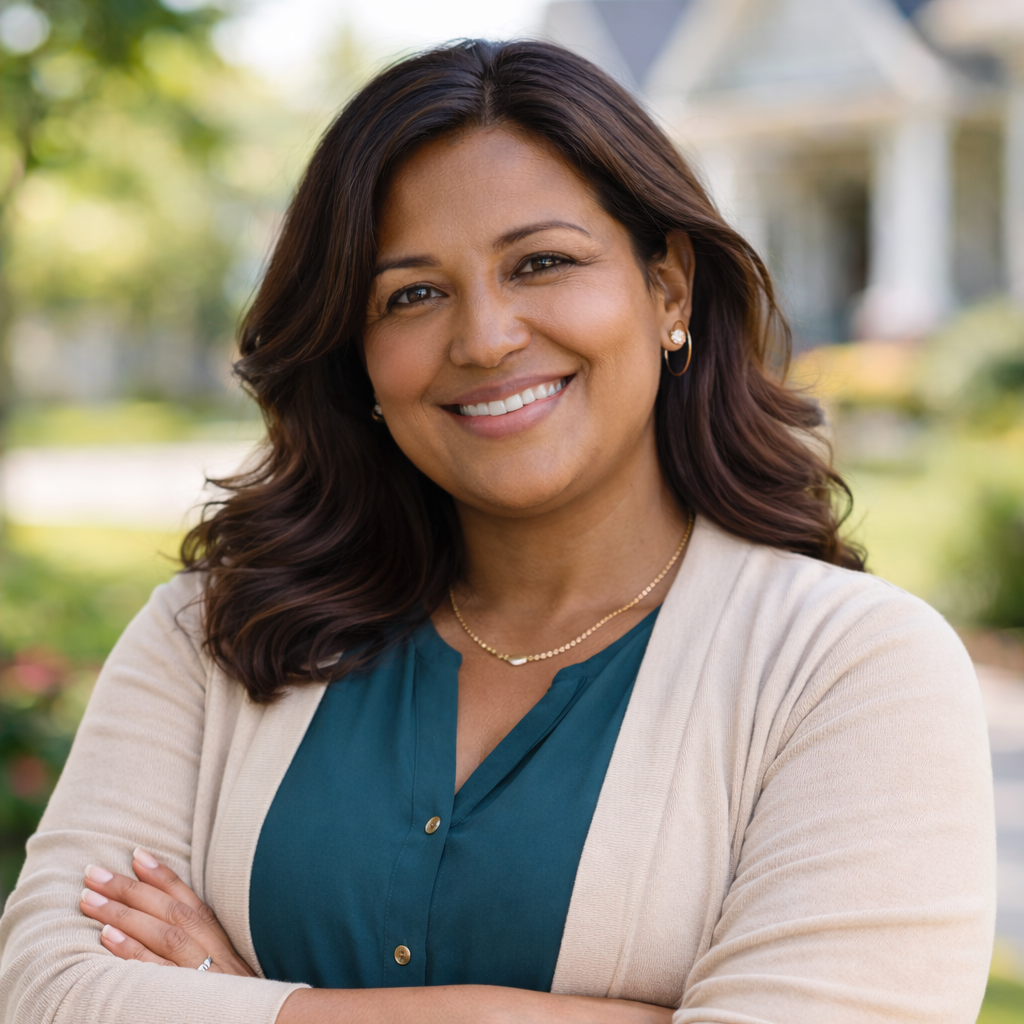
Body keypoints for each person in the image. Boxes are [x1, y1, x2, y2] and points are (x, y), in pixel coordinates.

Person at [0, 39, 995, 1024]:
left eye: (541, 262)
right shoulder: (216, 634)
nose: (484, 337)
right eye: (413, 294)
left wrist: (235, 1001)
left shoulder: (852, 670)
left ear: (668, 289)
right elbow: (46, 990)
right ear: (360, 355)